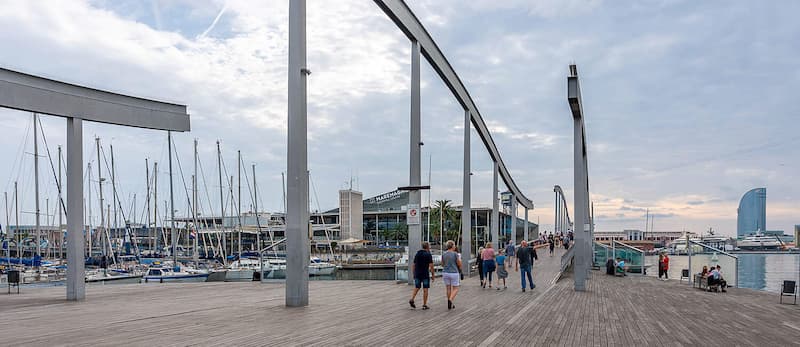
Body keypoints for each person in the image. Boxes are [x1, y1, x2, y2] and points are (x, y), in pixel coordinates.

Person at [409, 241, 434, 310]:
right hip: (425, 273)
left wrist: (414, 273)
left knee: (417, 287)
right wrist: (433, 275)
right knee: (425, 289)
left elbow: (414, 264)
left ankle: (412, 299)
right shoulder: (428, 254)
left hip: (417, 273)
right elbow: (431, 266)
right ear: (428, 247)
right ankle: (424, 304)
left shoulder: (418, 254)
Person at [441, 240, 462, 310]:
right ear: (452, 246)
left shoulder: (444, 254)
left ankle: (450, 302)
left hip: (445, 272)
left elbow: (442, 264)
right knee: (455, 288)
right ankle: (450, 300)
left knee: (448, 288)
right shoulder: (455, 254)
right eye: (454, 245)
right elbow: (459, 263)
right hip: (454, 272)